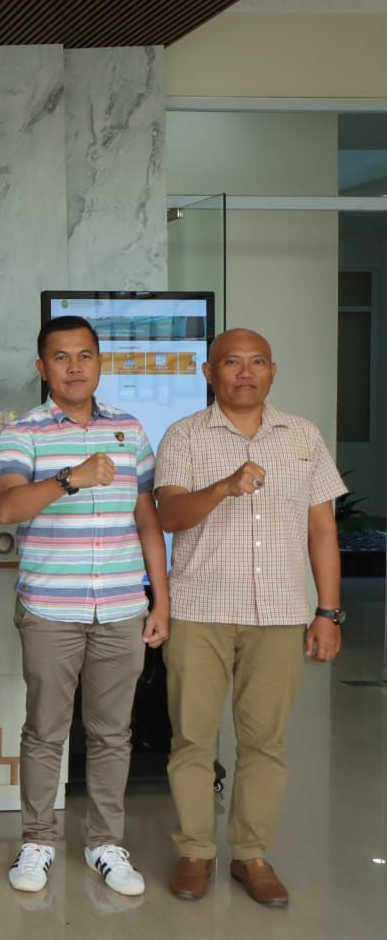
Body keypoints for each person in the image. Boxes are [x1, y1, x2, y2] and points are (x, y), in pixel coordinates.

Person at [153, 328, 347, 907]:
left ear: (272, 371)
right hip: (200, 610)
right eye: (232, 362)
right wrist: (223, 487)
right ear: (208, 372)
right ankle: (195, 852)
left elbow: (322, 529)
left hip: (280, 612)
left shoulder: (303, 436)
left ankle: (250, 855)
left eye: (257, 362)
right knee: (192, 737)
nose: (245, 372)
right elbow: (168, 515)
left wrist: (328, 611)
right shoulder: (184, 434)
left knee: (265, 742)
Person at [0, 315, 170, 897]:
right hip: (51, 608)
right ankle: (37, 841)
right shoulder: (23, 433)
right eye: (61, 357)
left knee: (113, 733)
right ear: (42, 367)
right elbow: (8, 508)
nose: (74, 367)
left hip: (121, 606)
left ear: (100, 362)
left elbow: (146, 519)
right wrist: (71, 478)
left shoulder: (130, 430)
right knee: (45, 731)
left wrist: (160, 600)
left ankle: (104, 844)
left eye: (85, 355)